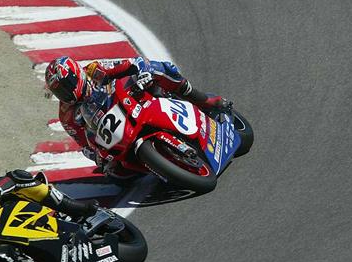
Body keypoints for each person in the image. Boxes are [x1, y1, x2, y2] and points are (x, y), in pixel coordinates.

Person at [45, 56, 231, 178]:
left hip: (133, 98)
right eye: (59, 92)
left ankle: (204, 100)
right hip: (117, 131)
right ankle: (159, 164)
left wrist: (142, 73)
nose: (65, 93)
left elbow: (132, 63)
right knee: (114, 173)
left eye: (66, 85)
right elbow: (84, 144)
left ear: (76, 75)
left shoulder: (94, 69)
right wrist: (97, 157)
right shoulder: (66, 115)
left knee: (162, 69)